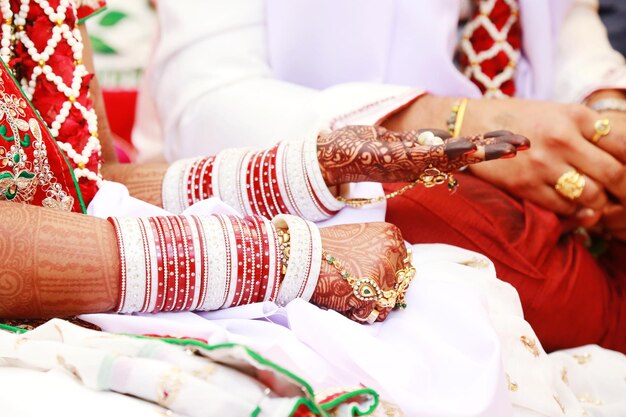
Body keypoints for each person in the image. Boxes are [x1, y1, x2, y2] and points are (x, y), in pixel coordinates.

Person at [143, 0, 626, 353]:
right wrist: (446, 125)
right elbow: (205, 106)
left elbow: (566, 19)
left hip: (550, 206)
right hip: (341, 201)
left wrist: (601, 106)